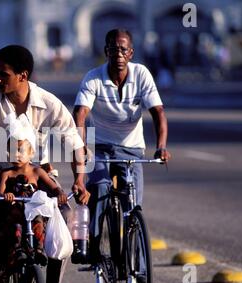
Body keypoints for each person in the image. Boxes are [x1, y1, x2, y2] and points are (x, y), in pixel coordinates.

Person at [0, 44, 89, 283]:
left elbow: (75, 144)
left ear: (23, 76)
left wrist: (79, 181)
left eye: (4, 74)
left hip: (37, 174)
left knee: (62, 217)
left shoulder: (49, 103)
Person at [73, 29, 171, 265]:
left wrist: (161, 147)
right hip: (100, 148)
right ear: (106, 51)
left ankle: (139, 274)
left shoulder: (142, 74)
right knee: (101, 188)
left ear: (131, 53)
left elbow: (158, 112)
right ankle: (94, 246)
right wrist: (82, 146)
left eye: (123, 49)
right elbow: (80, 114)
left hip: (132, 149)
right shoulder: (93, 77)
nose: (118, 53)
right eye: (113, 48)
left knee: (133, 210)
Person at [0, 131, 68, 279]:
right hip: (15, 210)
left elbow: (53, 186)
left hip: (34, 210)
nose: (16, 155)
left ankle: (39, 250)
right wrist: (6, 196)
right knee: (16, 227)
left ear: (31, 153)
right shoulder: (6, 173)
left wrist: (60, 193)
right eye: (11, 151)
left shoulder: (37, 171)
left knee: (39, 224)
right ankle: (17, 252)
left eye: (20, 151)